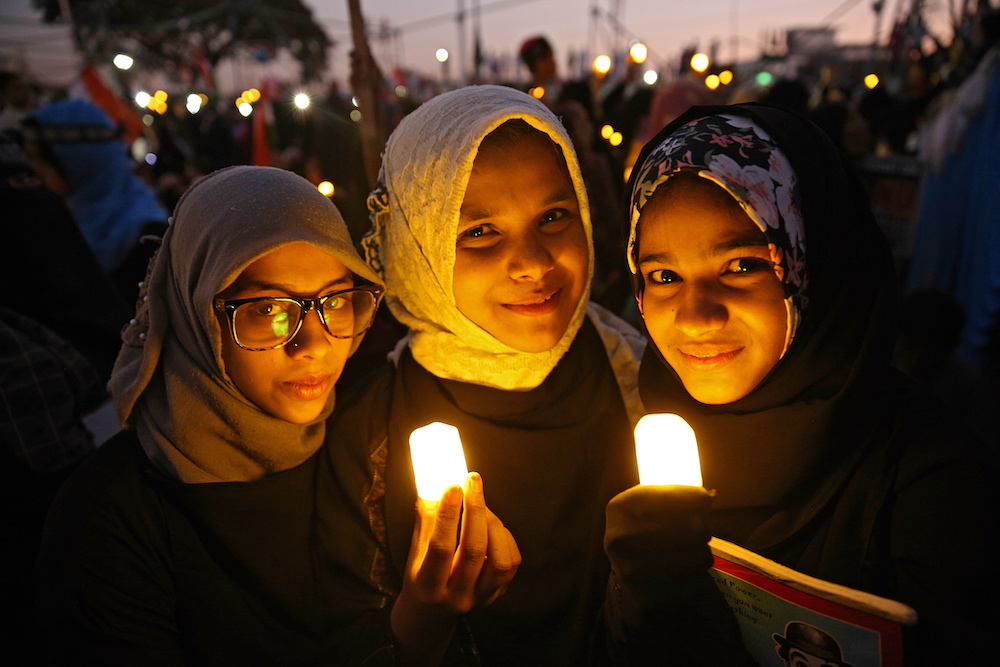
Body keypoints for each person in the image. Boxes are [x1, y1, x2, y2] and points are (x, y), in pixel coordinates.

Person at [35, 166, 513, 664]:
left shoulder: (368, 450)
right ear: (197, 313)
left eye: (335, 300)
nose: (313, 344)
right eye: (268, 309)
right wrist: (421, 621)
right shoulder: (112, 517)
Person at [601, 104, 998, 665]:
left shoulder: (932, 485)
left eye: (741, 265)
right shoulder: (648, 445)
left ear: (811, 266)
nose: (696, 317)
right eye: (664, 276)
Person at [325, 84, 646, 665]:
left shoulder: (644, 378)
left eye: (554, 216)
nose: (535, 263)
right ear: (418, 249)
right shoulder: (365, 436)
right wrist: (422, 619)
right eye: (479, 232)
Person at [21, 99, 169, 306]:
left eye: (40, 158)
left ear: (79, 158)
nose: (34, 169)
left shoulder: (150, 239)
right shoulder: (57, 226)